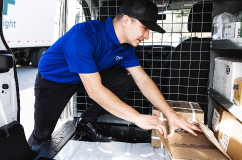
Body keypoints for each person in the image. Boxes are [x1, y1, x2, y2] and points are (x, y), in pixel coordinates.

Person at [28, 0, 201, 150]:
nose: (147, 36)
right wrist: (137, 118)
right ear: (126, 20)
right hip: (55, 80)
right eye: (145, 28)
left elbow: (142, 79)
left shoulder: (126, 47)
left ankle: (86, 121)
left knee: (125, 79)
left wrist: (171, 115)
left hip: (87, 77)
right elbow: (94, 91)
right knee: (42, 135)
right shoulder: (84, 35)